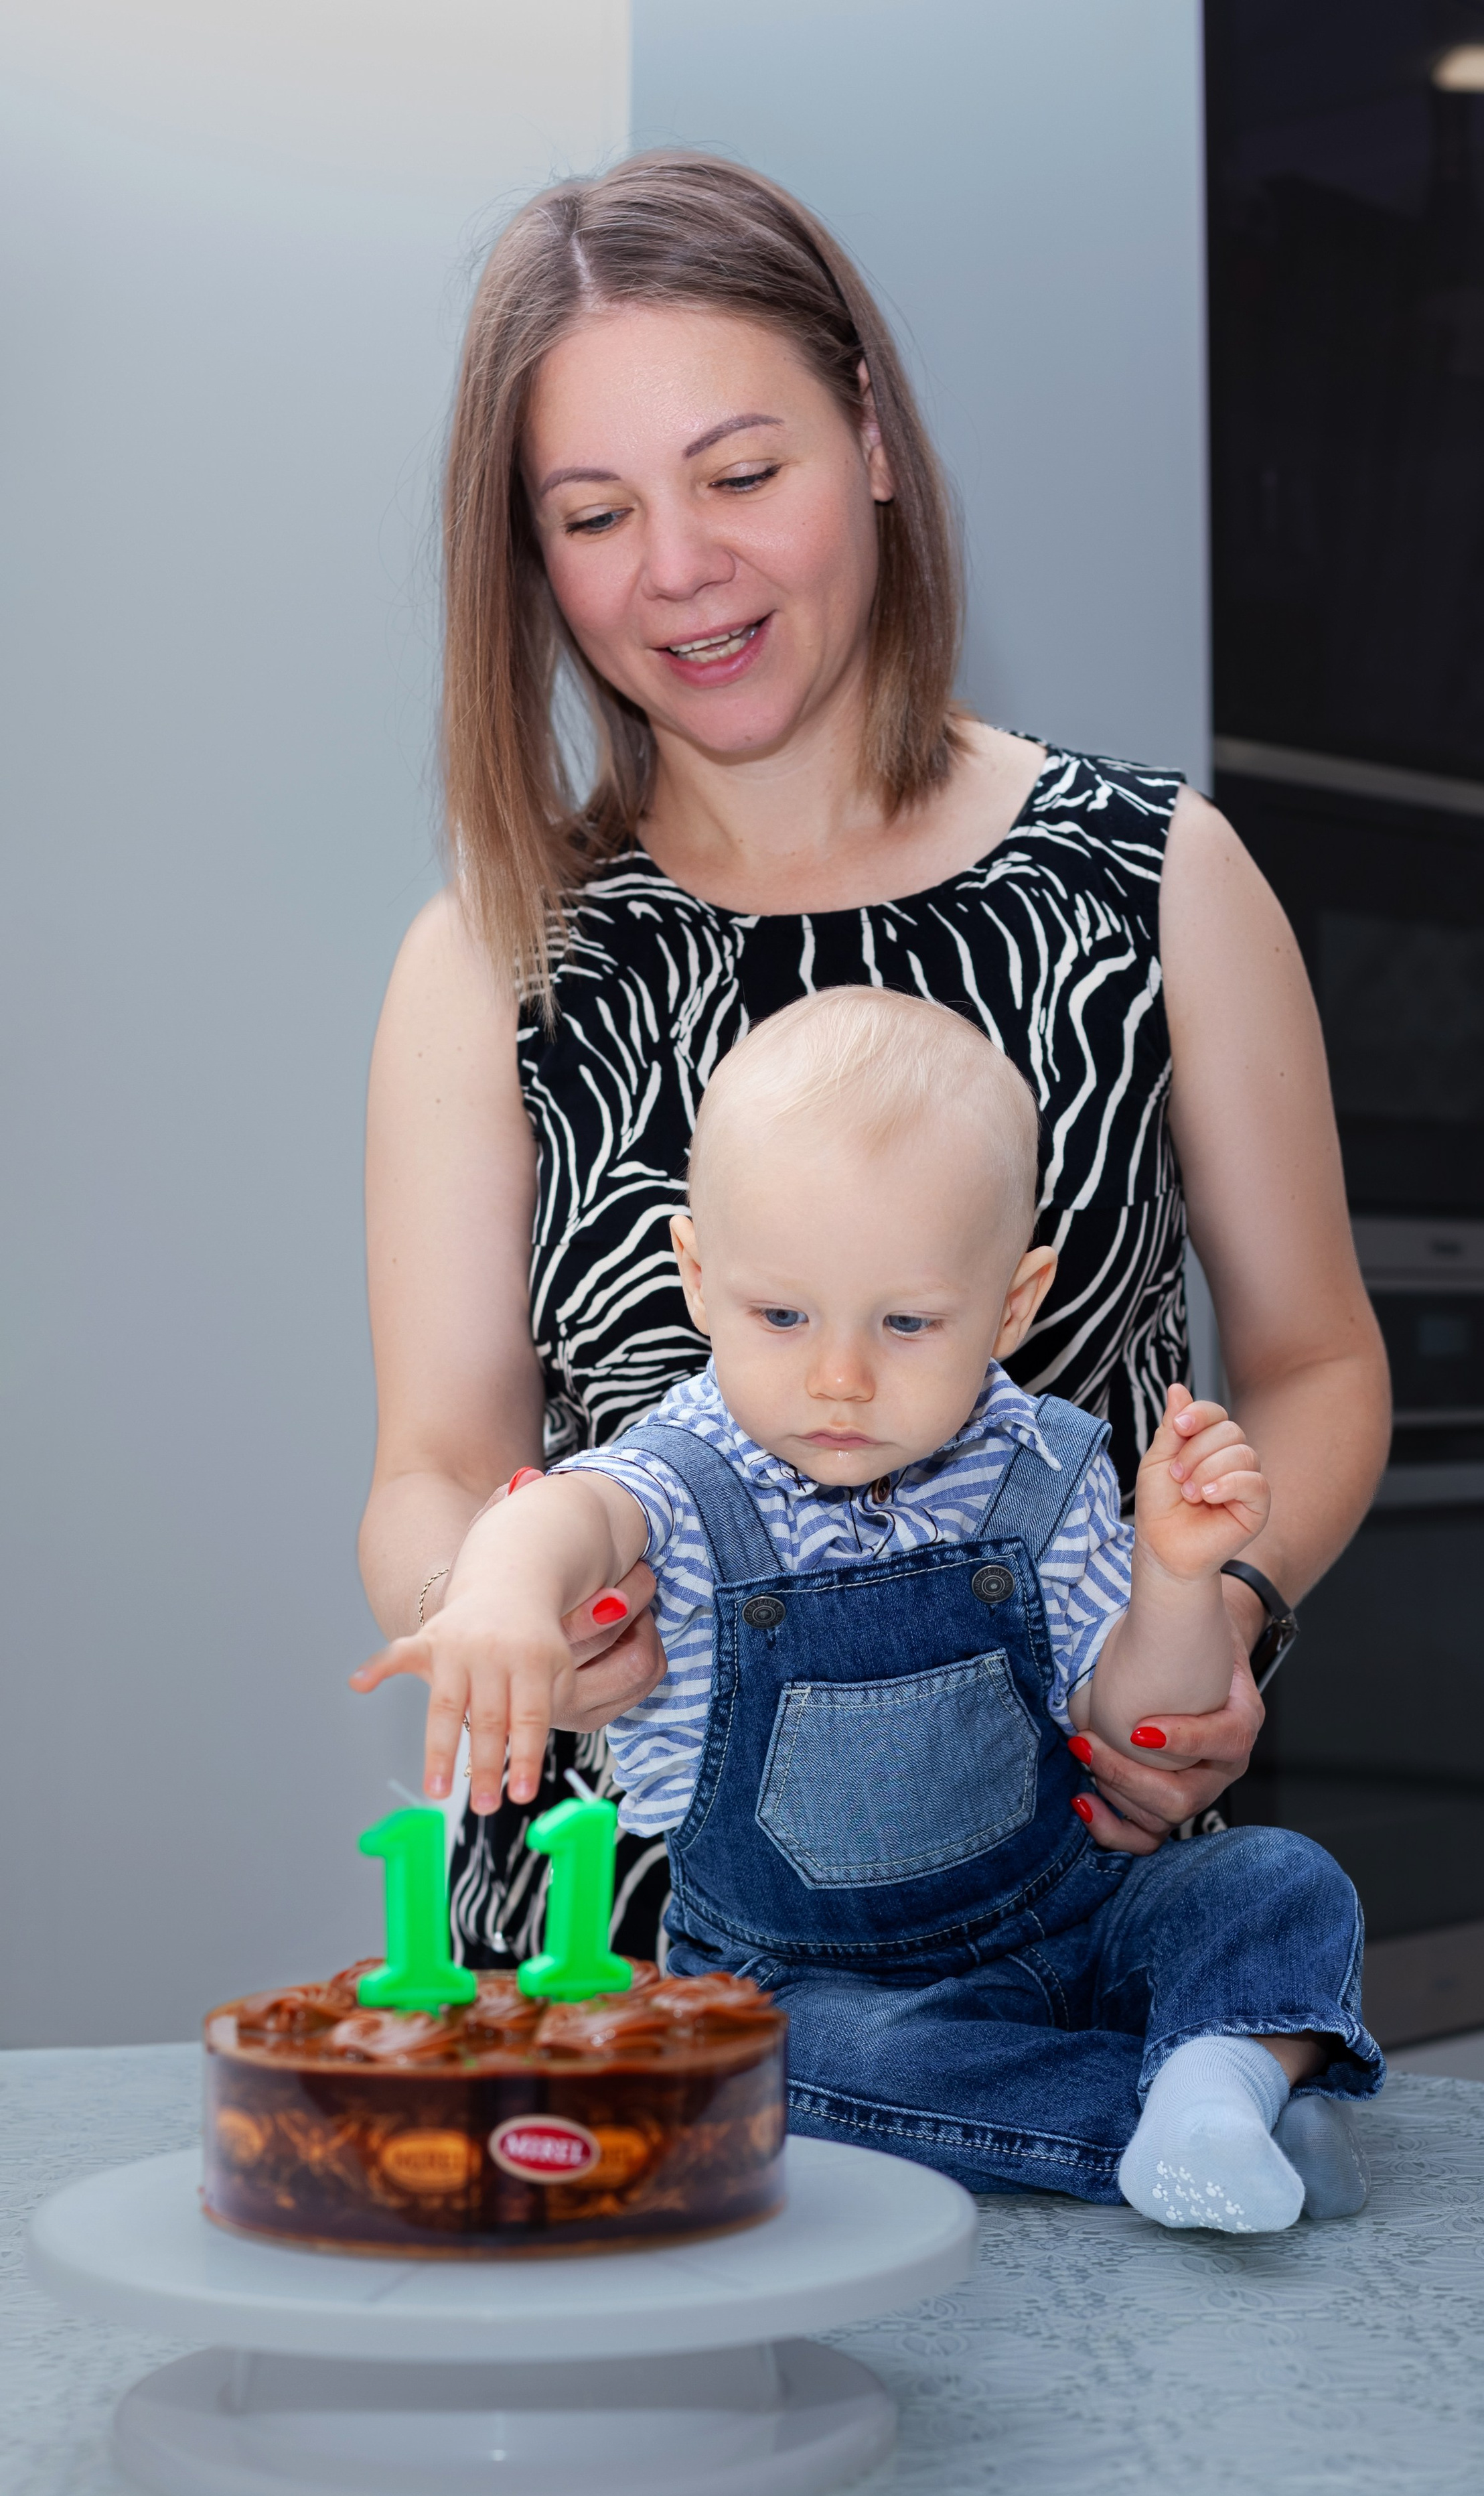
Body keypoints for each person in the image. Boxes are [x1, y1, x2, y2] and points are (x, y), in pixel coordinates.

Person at [357, 150, 1391, 1975]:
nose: (680, 570)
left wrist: (1214, 1612)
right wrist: (514, 1614)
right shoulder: (491, 957)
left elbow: (1314, 1362)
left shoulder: (1154, 877)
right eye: (592, 516)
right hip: (617, 1953)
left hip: (1049, 1912)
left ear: (871, 439)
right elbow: (439, 1461)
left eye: (743, 474)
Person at [356, 990, 1381, 2229]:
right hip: (814, 1987)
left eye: (906, 1323)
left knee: (1282, 1881)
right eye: (782, 1316)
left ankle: (1214, 2078)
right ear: (695, 1274)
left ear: (1012, 1302)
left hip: (1076, 1922)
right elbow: (567, 1515)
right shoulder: (690, 1471)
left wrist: (1172, 1574)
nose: (839, 1377)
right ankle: (1201, 2106)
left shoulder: (1041, 1471)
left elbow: (1138, 1718)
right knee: (802, 2065)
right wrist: (502, 1598)